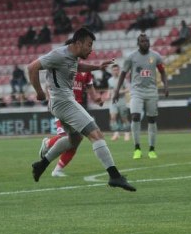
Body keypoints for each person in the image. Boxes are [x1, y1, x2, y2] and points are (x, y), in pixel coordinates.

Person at [27, 27, 136, 191]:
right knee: (96, 134)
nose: (91, 49)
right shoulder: (59, 54)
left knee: (74, 140)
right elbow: (32, 67)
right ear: (78, 43)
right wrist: (39, 92)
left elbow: (78, 66)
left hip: (62, 102)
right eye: (89, 45)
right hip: (64, 102)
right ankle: (115, 176)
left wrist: (98, 67)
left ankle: (41, 164)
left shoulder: (71, 56)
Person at [113, 33, 169, 159]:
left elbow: (163, 72)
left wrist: (165, 86)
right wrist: (117, 91)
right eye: (143, 41)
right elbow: (122, 74)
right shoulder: (131, 57)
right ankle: (137, 148)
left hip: (151, 91)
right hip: (136, 91)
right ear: (138, 43)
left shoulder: (156, 56)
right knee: (135, 116)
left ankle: (151, 149)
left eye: (147, 41)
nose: (145, 43)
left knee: (152, 120)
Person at [39, 70, 104, 177]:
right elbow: (48, 84)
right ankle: (47, 144)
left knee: (75, 141)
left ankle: (57, 170)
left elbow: (90, 86)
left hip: (77, 110)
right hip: (62, 106)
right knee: (66, 137)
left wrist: (96, 98)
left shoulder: (85, 71)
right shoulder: (63, 64)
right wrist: (49, 99)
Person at [108, 64, 131, 141]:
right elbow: (110, 89)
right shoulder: (110, 80)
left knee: (124, 118)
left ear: (119, 70)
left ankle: (127, 133)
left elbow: (128, 89)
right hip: (113, 101)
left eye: (117, 70)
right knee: (113, 117)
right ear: (112, 71)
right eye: (114, 70)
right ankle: (116, 133)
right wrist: (108, 95)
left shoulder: (123, 80)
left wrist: (119, 91)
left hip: (121, 100)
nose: (116, 71)